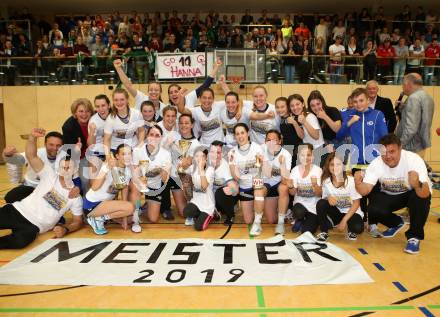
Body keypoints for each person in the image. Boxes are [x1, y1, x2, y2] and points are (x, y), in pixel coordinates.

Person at [0, 128, 83, 249]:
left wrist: (65, 229)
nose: (64, 170)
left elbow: (77, 221)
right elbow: (31, 156)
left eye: (68, 167)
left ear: (74, 170)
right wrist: (32, 137)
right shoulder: (49, 175)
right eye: (62, 167)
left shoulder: (75, 197)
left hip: (33, 227)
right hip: (17, 211)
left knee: (20, 242)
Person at [354, 134, 431, 254]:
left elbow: (425, 194)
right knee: (373, 209)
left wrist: (417, 184)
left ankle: (414, 237)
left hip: (410, 193)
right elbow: (365, 190)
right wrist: (358, 183)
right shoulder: (376, 163)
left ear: (400, 148)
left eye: (392, 151)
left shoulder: (413, 160)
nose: (388, 156)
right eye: (384, 152)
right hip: (389, 195)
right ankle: (396, 223)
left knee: (419, 199)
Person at [2, 131, 72, 203]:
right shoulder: (36, 153)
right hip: (30, 187)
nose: (55, 148)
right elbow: (18, 160)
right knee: (10, 197)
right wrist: (7, 155)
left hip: (49, 190)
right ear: (45, 144)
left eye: (58, 145)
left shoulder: (65, 158)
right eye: (51, 144)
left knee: (59, 206)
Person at [84, 144, 135, 235]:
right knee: (130, 207)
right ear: (117, 156)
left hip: (105, 205)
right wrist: (107, 168)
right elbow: (94, 187)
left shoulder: (128, 171)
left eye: (129, 154)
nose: (127, 157)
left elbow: (124, 194)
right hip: (92, 204)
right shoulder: (107, 165)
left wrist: (124, 220)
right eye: (123, 154)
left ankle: (101, 218)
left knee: (131, 218)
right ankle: (97, 219)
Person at [131, 125, 172, 230]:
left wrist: (165, 170)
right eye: (151, 134)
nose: (154, 137)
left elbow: (164, 180)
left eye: (157, 135)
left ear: (161, 138)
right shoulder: (137, 151)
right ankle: (135, 220)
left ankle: (145, 206)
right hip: (139, 183)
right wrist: (140, 180)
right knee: (134, 187)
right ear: (146, 136)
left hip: (154, 185)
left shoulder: (166, 154)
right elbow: (134, 171)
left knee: (153, 219)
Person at [316, 153, 364, 242]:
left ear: (343, 166)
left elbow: (356, 203)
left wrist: (344, 220)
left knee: (358, 228)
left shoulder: (351, 181)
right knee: (321, 203)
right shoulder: (326, 182)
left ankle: (348, 227)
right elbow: (325, 198)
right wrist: (328, 197)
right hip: (337, 212)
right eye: (332, 165)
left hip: (351, 213)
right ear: (328, 166)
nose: (335, 167)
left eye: (338, 164)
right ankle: (324, 231)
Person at [228, 123, 265, 235]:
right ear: (234, 136)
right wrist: (242, 178)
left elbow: (259, 170)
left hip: (257, 182)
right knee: (248, 220)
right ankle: (257, 211)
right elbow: (234, 175)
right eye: (237, 134)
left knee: (258, 189)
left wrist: (254, 182)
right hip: (244, 186)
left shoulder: (257, 148)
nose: (240, 136)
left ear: (248, 133)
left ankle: (258, 223)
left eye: (242, 133)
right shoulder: (232, 152)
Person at [395, 73, 435, 160]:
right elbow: (420, 119)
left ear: (408, 84)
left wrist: (400, 144)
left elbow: (411, 127)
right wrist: (403, 108)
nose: (402, 88)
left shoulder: (413, 98)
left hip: (410, 146)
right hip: (420, 144)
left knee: (409, 172)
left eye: (403, 85)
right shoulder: (428, 97)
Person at [261, 130, 292, 235]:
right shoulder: (260, 151)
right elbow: (257, 174)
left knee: (284, 187)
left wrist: (282, 165)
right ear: (265, 141)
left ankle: (281, 222)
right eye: (268, 140)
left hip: (279, 184)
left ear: (280, 141)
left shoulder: (286, 154)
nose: (271, 143)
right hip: (266, 185)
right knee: (270, 220)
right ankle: (282, 209)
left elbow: (284, 179)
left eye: (274, 140)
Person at [288, 144, 322, 234]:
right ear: (299, 156)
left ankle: (304, 221)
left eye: (308, 155)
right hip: (300, 204)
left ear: (313, 156)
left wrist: (315, 185)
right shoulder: (295, 170)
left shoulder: (318, 170)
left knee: (307, 232)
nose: (306, 158)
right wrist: (290, 186)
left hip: (313, 206)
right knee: (299, 212)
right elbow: (292, 193)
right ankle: (299, 218)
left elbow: (319, 194)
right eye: (303, 155)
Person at [62, 98, 94, 193]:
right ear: (75, 113)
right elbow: (68, 151)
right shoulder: (69, 127)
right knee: (85, 179)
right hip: (81, 156)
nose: (84, 114)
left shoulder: (96, 119)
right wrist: (76, 150)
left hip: (97, 153)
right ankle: (87, 201)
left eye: (87, 111)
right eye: (81, 111)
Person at [103, 88, 145, 158]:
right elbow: (106, 140)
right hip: (116, 150)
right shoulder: (110, 119)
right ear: (113, 101)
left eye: (122, 99)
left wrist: (139, 146)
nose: (119, 102)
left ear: (127, 100)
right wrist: (108, 157)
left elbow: (141, 131)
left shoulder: (136, 114)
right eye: (116, 100)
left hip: (133, 148)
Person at [183, 147, 216, 231]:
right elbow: (181, 171)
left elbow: (204, 186)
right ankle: (199, 215)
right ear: (194, 157)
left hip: (207, 204)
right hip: (196, 201)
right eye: (197, 156)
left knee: (198, 227)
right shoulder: (192, 167)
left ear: (206, 158)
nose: (199, 159)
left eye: (202, 156)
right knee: (186, 212)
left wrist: (201, 169)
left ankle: (212, 214)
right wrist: (183, 163)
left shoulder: (210, 170)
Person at [208, 141, 239, 225]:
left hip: (225, 197)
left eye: (218, 152)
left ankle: (230, 215)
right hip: (212, 198)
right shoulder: (205, 164)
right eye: (212, 152)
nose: (215, 155)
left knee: (220, 192)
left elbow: (235, 189)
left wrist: (231, 190)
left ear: (221, 154)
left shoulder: (224, 167)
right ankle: (216, 210)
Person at [87, 94, 111, 177]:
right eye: (97, 106)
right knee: (94, 178)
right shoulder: (93, 121)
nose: (101, 109)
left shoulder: (115, 116)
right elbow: (91, 145)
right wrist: (92, 131)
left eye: (103, 105)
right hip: (97, 152)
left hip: (112, 151)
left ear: (109, 105)